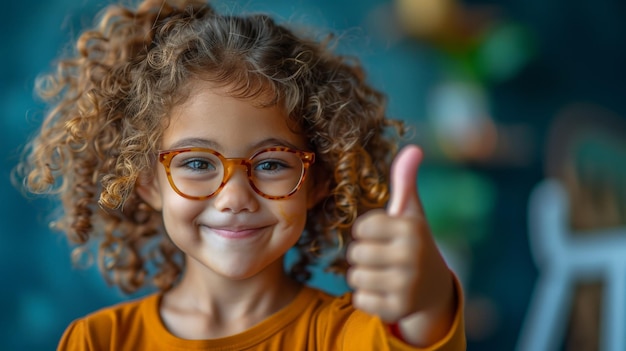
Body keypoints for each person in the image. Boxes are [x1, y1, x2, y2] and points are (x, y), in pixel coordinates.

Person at [18, 0, 465, 349]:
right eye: (197, 163)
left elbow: (421, 335)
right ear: (148, 182)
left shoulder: (350, 336)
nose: (234, 197)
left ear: (319, 181)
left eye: (271, 164)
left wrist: (430, 299)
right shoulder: (99, 342)